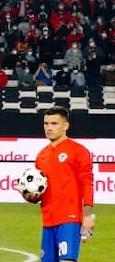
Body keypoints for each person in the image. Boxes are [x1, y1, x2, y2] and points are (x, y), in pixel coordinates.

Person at [27, 106, 94, 262]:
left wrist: (88, 216)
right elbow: (41, 190)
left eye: (54, 123)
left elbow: (87, 183)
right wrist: (31, 196)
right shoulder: (41, 155)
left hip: (69, 218)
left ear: (66, 126)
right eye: (46, 123)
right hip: (48, 219)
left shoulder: (78, 151)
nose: (49, 128)